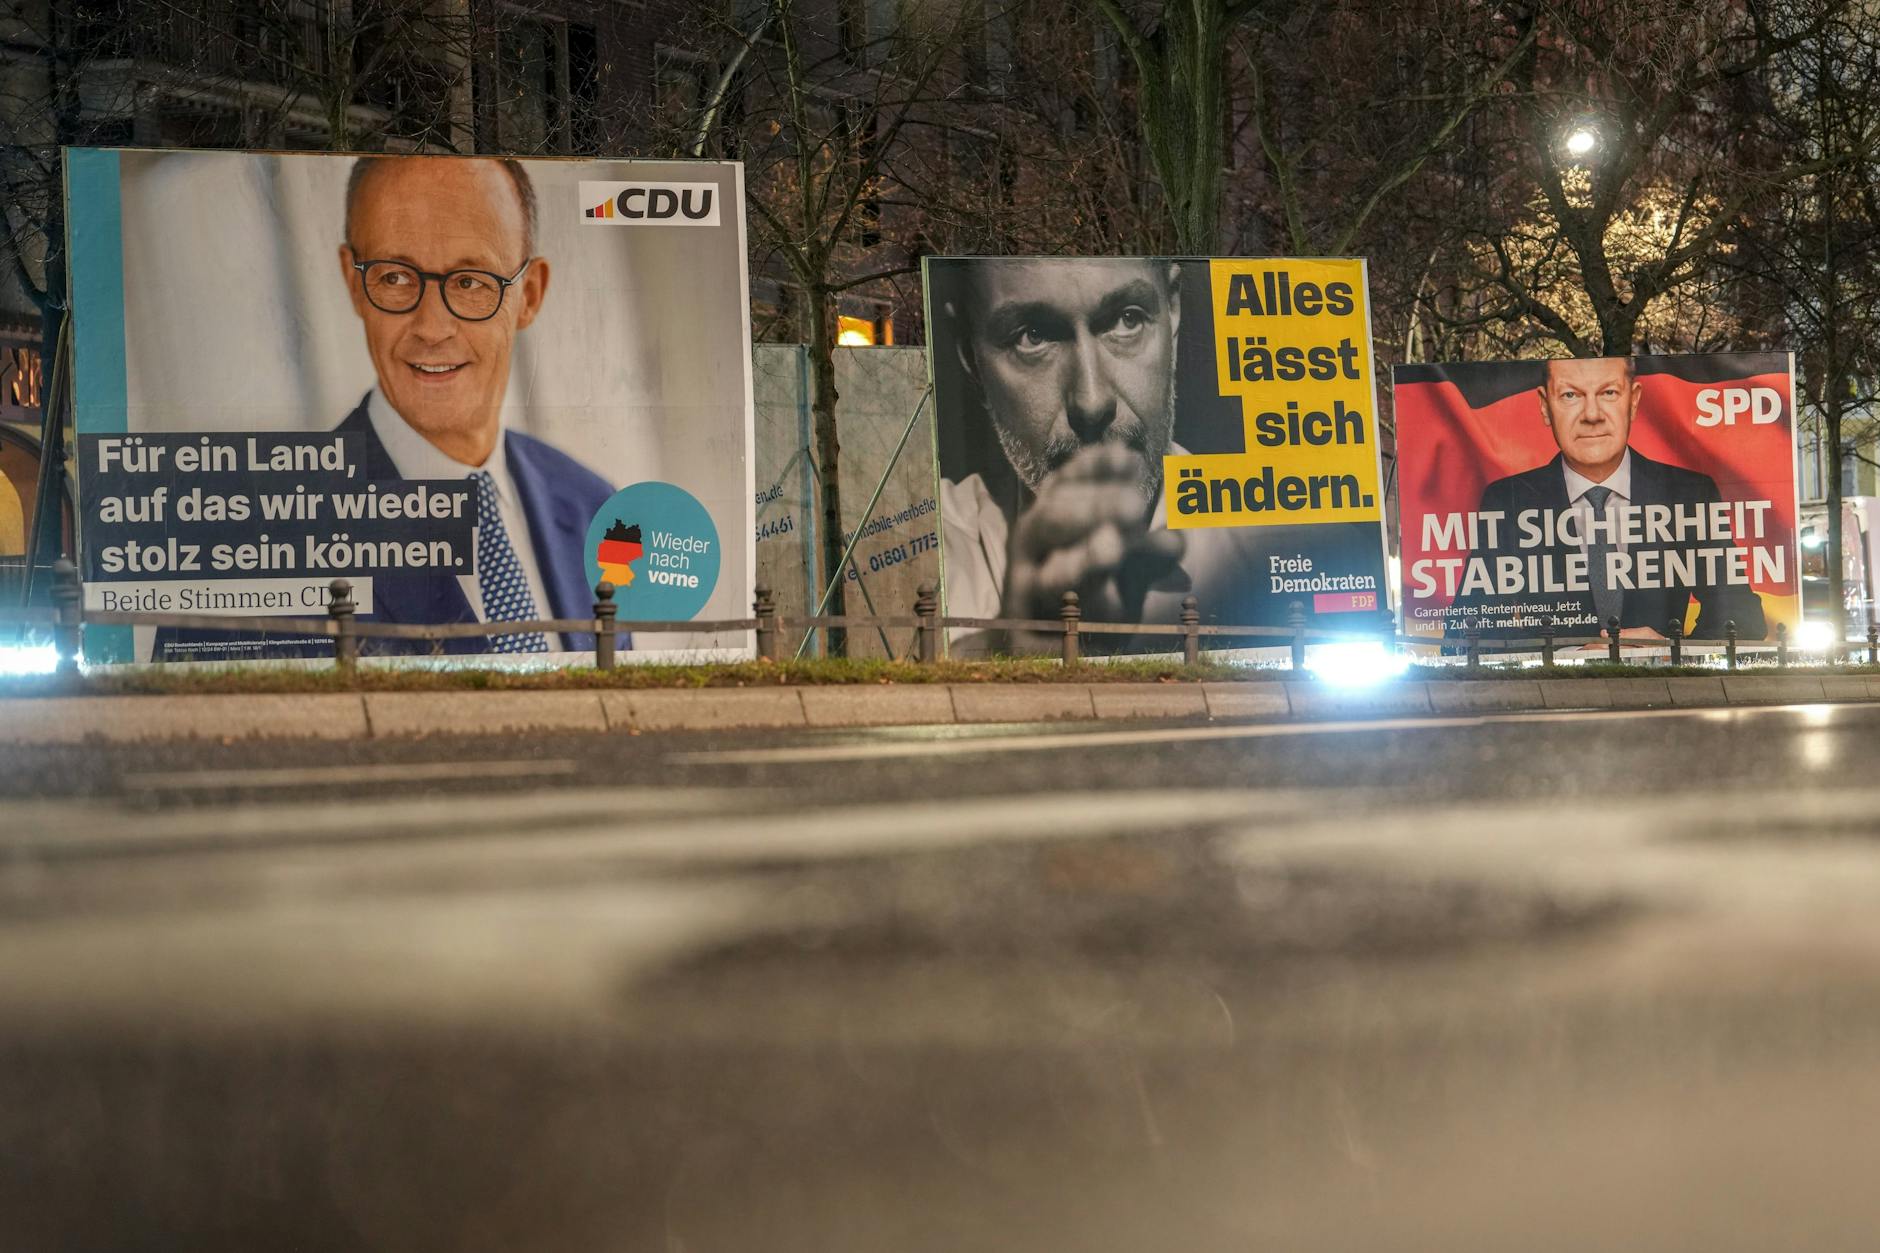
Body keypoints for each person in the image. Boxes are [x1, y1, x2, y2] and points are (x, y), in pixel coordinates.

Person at [331, 155, 613, 655]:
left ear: (529, 294)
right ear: (355, 285)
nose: (433, 328)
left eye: (470, 282)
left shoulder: (597, 509)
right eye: (396, 277)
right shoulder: (259, 540)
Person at [935, 258, 1262, 652]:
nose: (1091, 403)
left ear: (1173, 309)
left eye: (1127, 320)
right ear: (970, 355)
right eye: (1032, 336)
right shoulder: (924, 547)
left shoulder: (1290, 540)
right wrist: (1005, 652)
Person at [1456, 355, 1765, 641]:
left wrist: (1671, 651)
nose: (1592, 415)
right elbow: (1464, 631)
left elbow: (1745, 619)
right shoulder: (1508, 501)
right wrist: (1565, 655)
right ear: (1544, 406)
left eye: (1608, 393)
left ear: (1633, 401)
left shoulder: (1689, 494)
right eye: (1570, 395)